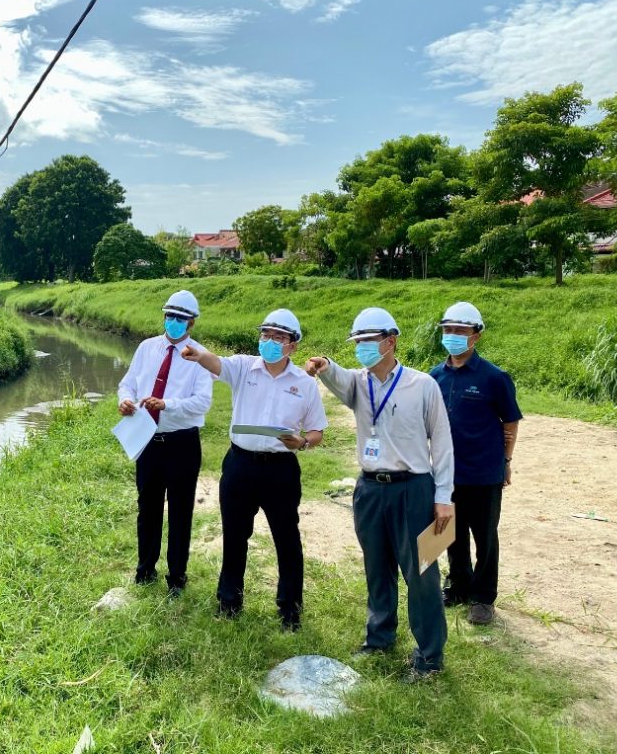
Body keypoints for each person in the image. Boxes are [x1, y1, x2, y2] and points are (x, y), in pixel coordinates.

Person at [305, 307, 454, 680]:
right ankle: (379, 638)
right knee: (377, 568)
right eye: (357, 343)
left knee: (421, 573)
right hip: (371, 489)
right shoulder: (359, 383)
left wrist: (444, 496)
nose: (362, 349)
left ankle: (429, 656)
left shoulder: (422, 385)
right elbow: (335, 376)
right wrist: (324, 363)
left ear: (390, 342)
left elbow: (444, 443)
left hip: (415, 489)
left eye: (368, 342)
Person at [181, 309, 327, 630]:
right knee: (235, 535)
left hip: (281, 470)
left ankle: (290, 608)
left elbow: (317, 431)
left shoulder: (304, 384)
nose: (270, 342)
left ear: (293, 345)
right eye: (265, 335)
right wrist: (197, 353)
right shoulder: (245, 367)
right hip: (240, 465)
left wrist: (302, 442)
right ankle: (229, 601)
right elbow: (214, 361)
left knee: (287, 539)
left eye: (278, 337)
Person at [430, 302, 522, 626]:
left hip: (484, 473)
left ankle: (483, 597)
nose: (453, 336)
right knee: (449, 533)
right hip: (446, 474)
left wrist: (506, 460)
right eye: (448, 329)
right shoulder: (435, 377)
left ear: (476, 336)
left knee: (485, 537)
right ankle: (457, 586)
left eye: (460, 330)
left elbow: (510, 421)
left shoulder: (494, 377)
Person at [118, 290, 213, 595]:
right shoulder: (147, 348)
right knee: (147, 507)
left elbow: (202, 402)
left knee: (181, 511)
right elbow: (128, 382)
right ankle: (145, 569)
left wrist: (167, 405)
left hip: (182, 444)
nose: (173, 322)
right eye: (169, 316)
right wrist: (126, 400)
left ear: (192, 323)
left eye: (180, 318)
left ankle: (177, 577)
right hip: (147, 439)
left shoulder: (199, 356)